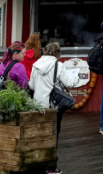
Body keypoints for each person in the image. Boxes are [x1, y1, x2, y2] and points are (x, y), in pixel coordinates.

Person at [29, 42, 79, 174]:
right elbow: (69, 83)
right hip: (54, 105)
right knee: (54, 134)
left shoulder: (36, 65)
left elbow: (32, 86)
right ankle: (51, 167)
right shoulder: (59, 65)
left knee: (40, 134)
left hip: (38, 105)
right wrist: (76, 78)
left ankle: (38, 163)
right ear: (57, 53)